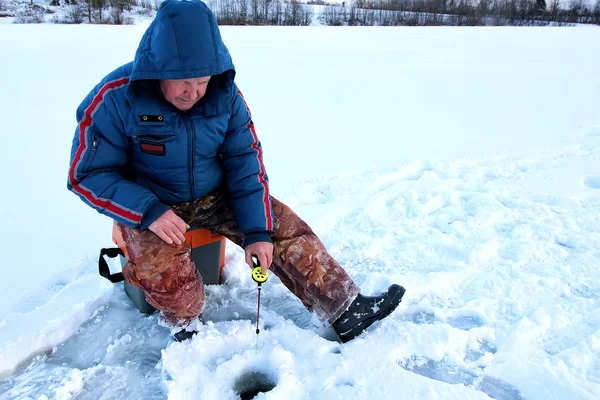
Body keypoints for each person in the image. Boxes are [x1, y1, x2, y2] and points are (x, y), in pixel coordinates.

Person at [67, 0, 405, 343]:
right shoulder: (116, 97)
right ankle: (184, 325)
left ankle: (345, 309)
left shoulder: (225, 95)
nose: (194, 93)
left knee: (283, 229)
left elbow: (244, 159)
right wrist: (147, 211)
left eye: (201, 81)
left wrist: (257, 230)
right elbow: (88, 174)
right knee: (174, 287)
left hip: (216, 195)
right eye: (183, 82)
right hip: (153, 204)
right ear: (157, 70)